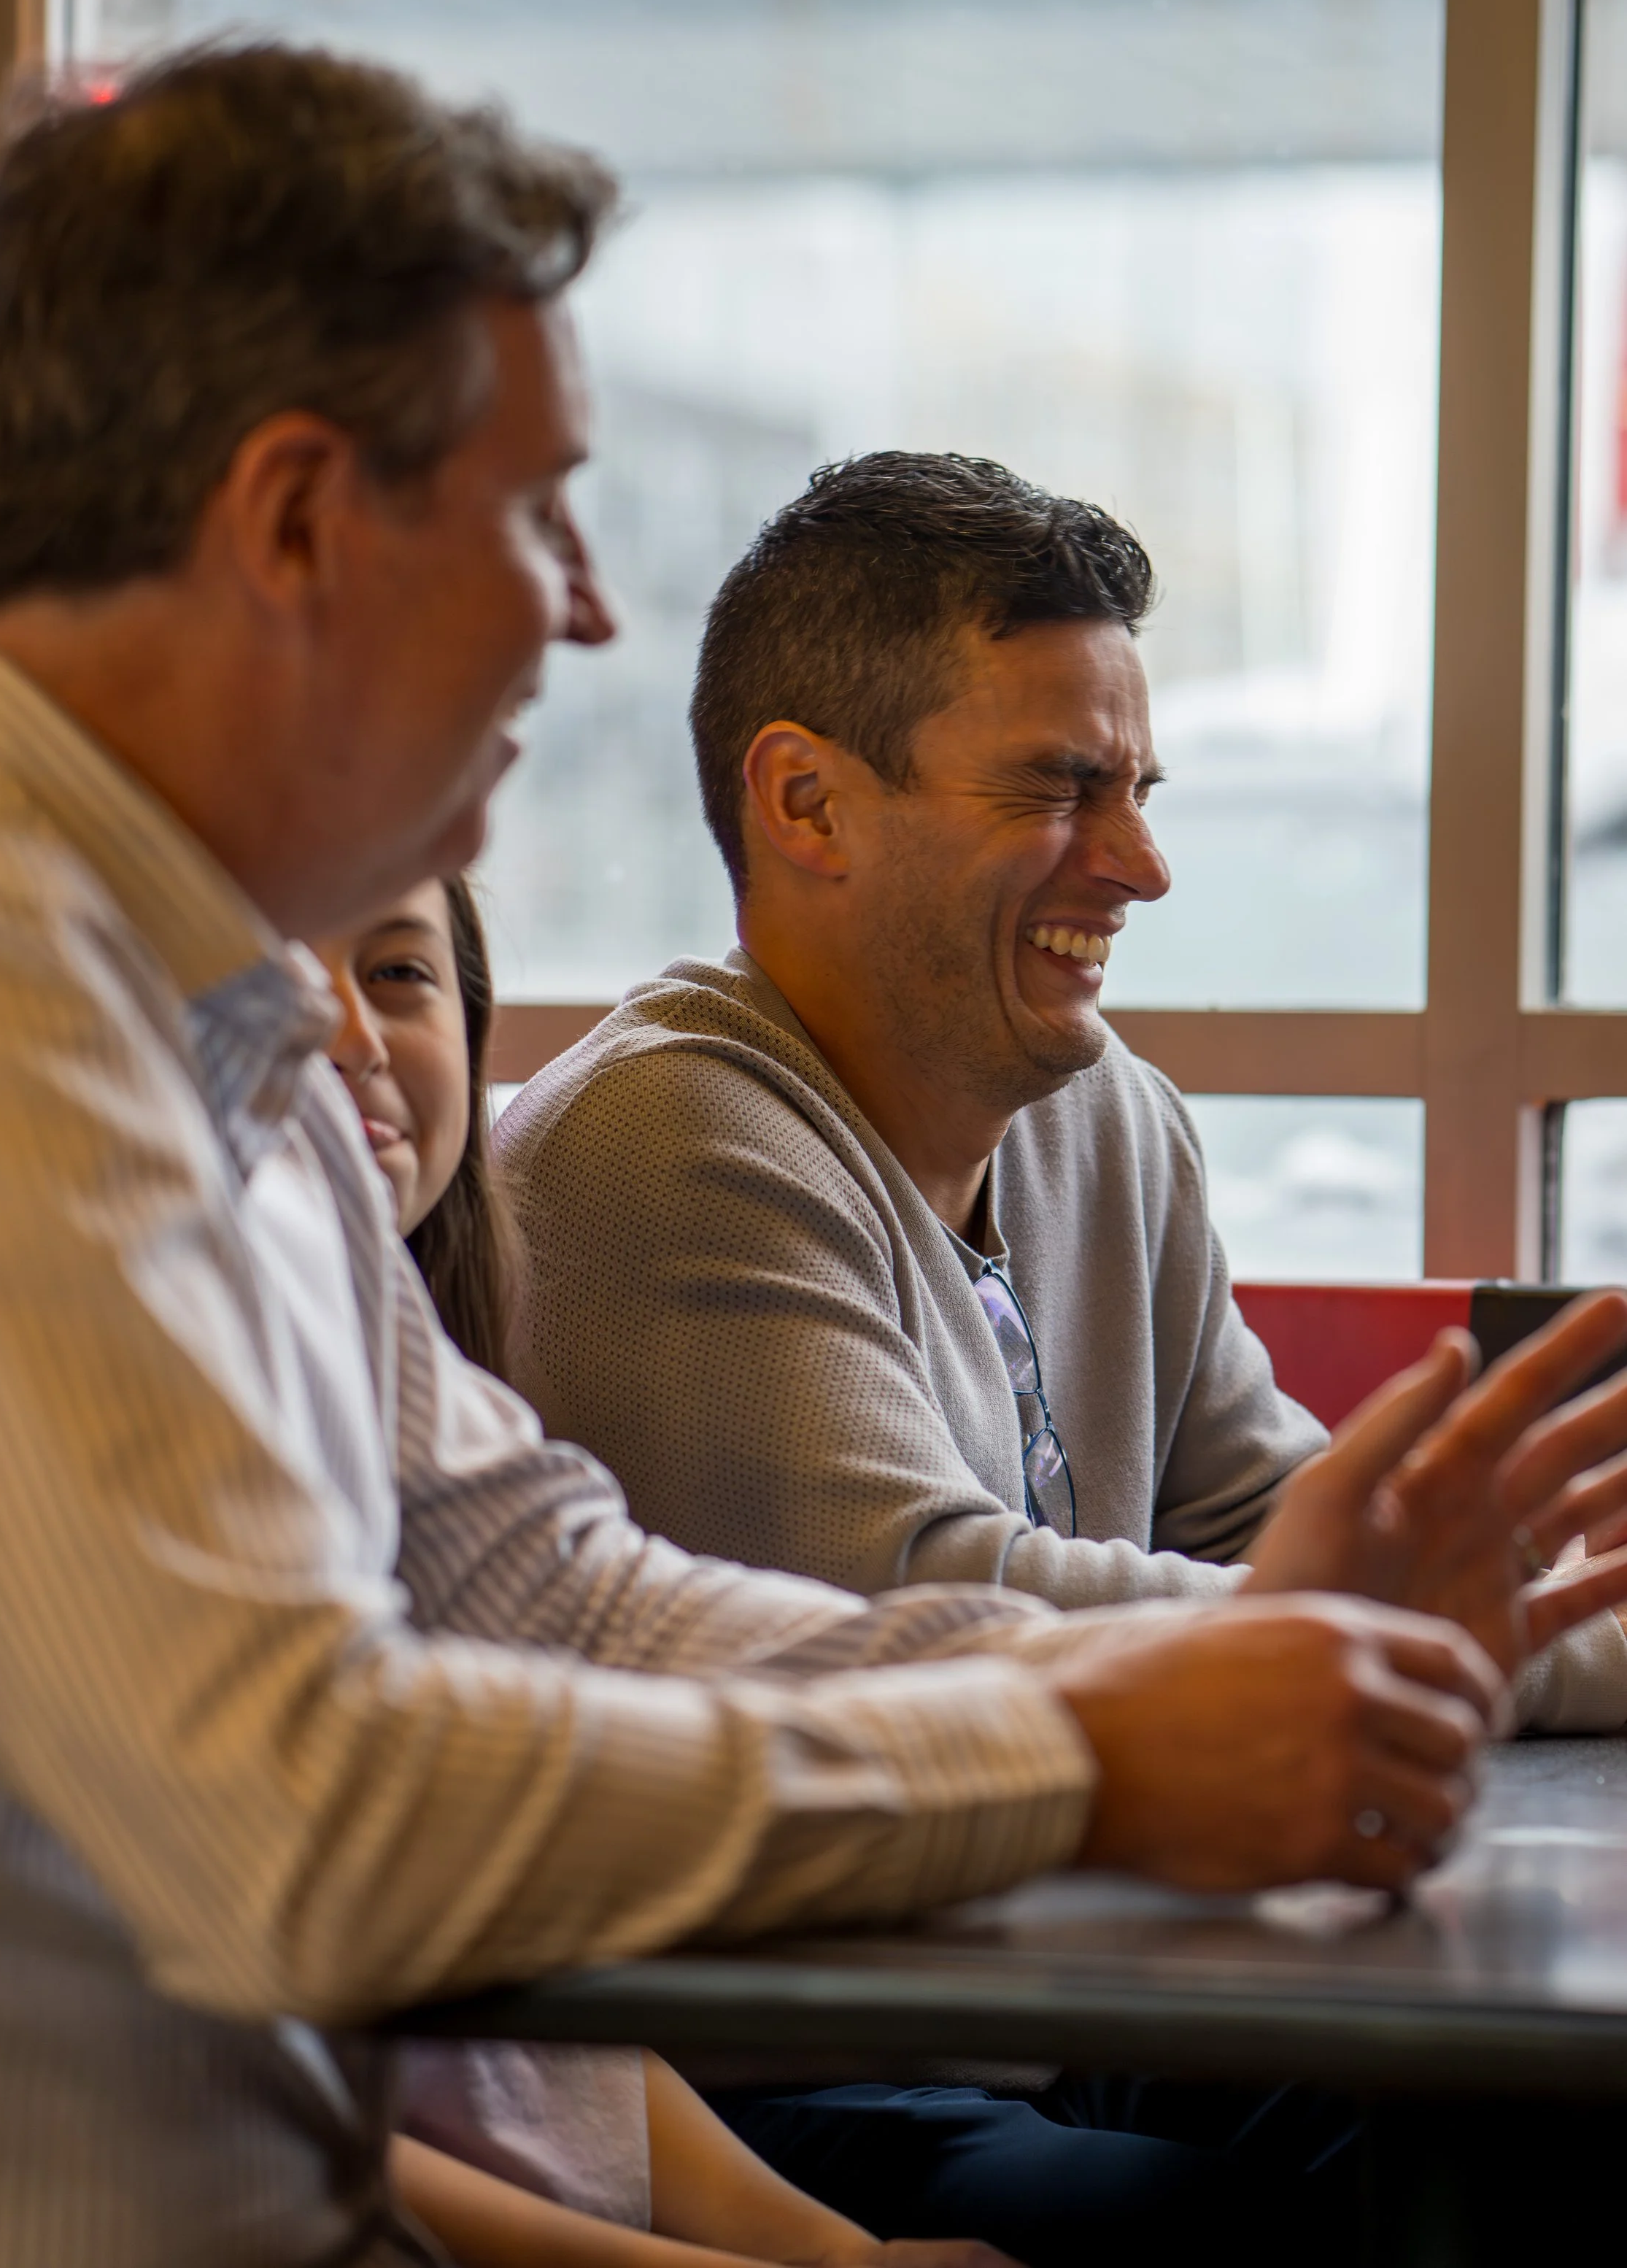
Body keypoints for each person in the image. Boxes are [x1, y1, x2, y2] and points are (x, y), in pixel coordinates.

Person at [0, 43, 1603, 2267]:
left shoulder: (206, 1017)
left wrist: (1151, 1678)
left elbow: (559, 1593)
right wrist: (1095, 1754)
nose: (581, 606)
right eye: (539, 509)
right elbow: (299, 1801)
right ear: (291, 521)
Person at [495, 448, 1627, 2250]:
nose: (1142, 864)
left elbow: (1277, 1518)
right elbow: (946, 1609)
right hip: (773, 2072)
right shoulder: (653, 1149)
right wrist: (1490, 1637)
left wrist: (1547, 1599)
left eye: (1138, 790)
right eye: (1059, 787)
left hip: (1080, 1993)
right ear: (803, 801)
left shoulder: (1108, 1120)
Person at [314, 876, 1014, 2268]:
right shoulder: (676, 1124)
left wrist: (825, 2253)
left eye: (400, 976)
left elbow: (565, 2060)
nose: (348, 1033)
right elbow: (254, 2115)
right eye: (267, 969)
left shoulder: (423, 1388)